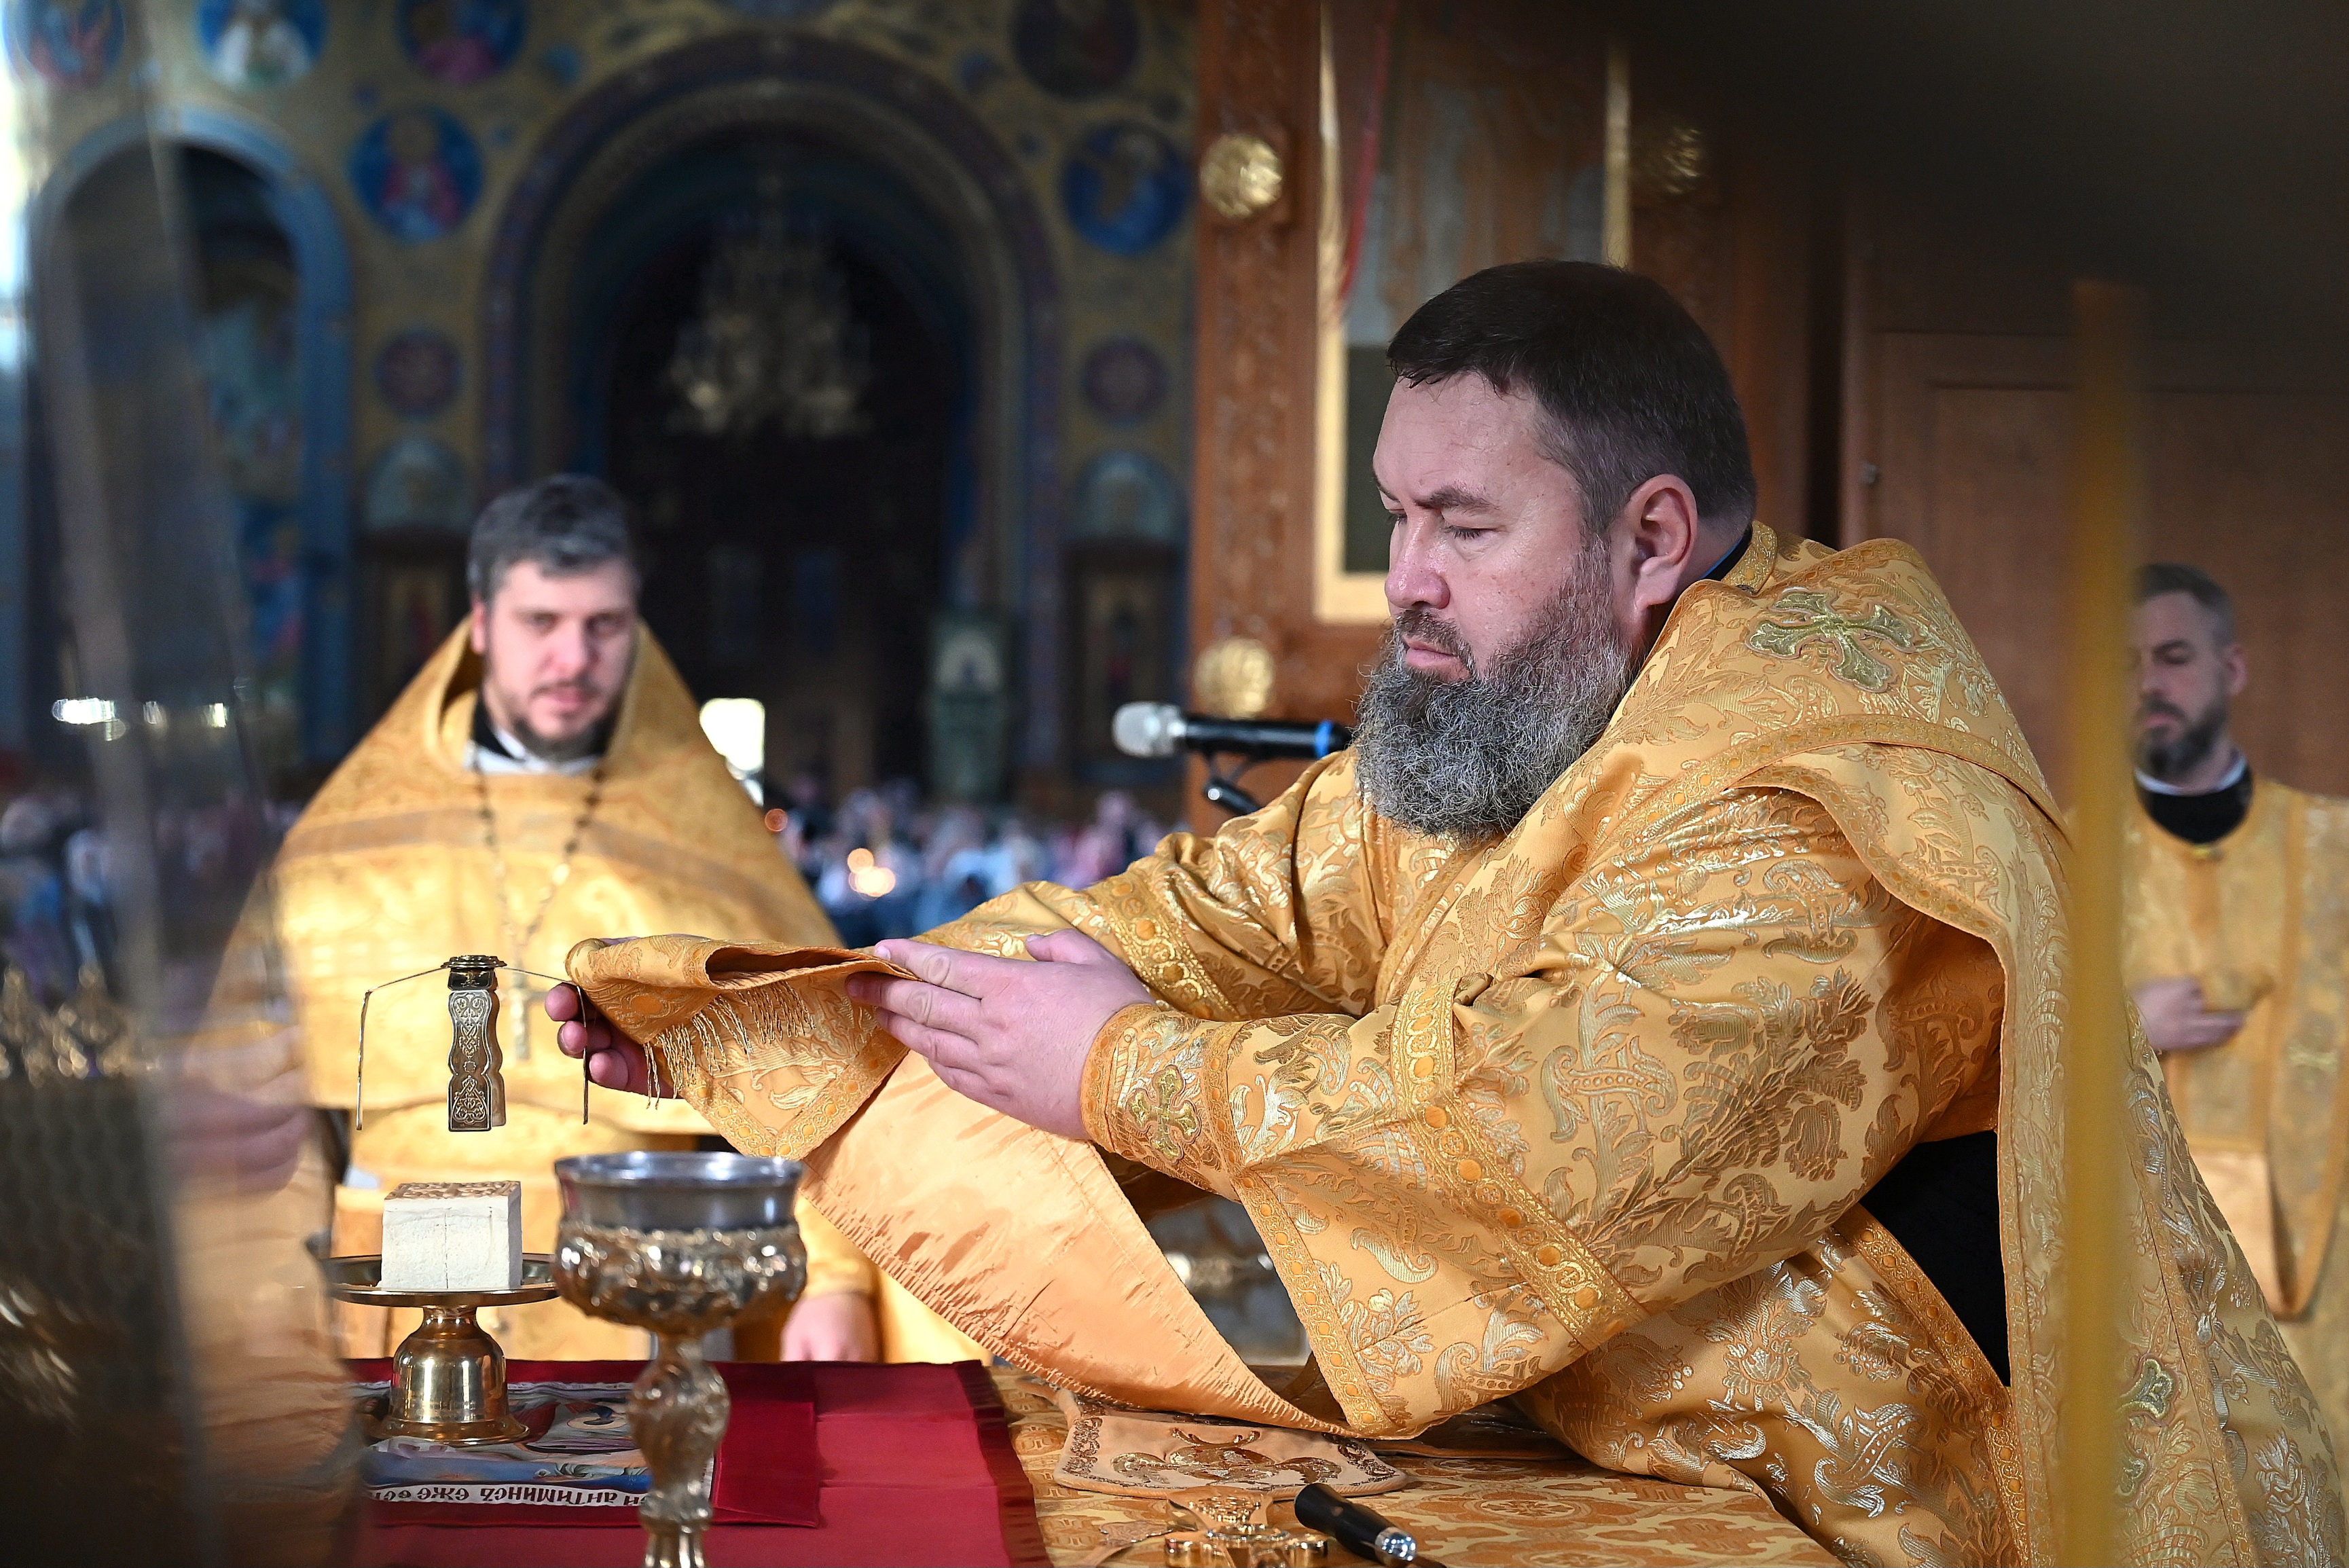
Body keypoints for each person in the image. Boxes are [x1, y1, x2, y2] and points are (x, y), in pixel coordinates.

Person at [552, 263, 2338, 1563]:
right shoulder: (1527, 699)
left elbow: (1531, 1147)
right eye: (1394, 513)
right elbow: (1216, 910)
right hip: (1654, 1444)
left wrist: (1118, 1070)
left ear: (1651, 537)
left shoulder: (1823, 803)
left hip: (1920, 1499)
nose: (1405, 576)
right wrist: (768, 1010)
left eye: (1461, 523)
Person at [238, 475, 963, 1362]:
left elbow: (814, 1078)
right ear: (480, 624)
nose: (573, 658)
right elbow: (257, 1111)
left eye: (604, 625)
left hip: (631, 1293)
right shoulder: (349, 841)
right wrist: (258, 1297)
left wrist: (834, 1281)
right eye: (540, 621)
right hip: (387, 1301)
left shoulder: (706, 842)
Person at [2126, 562, 2349, 1452]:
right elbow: (1994, 1050)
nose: (2149, 682)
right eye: (2129, 663)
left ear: (2233, 668)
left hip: (2327, 1290)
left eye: (2174, 657)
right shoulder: (2065, 850)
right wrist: (2122, 1027)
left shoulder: (2336, 849)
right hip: (2144, 1285)